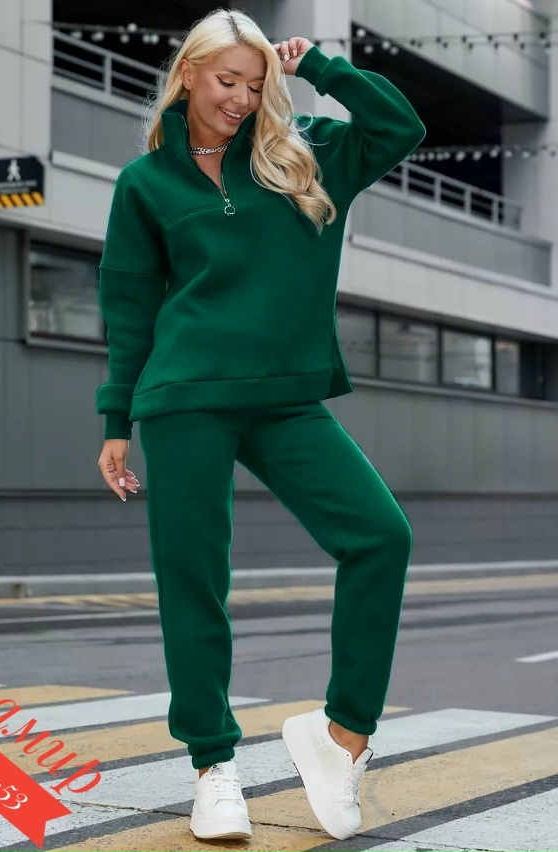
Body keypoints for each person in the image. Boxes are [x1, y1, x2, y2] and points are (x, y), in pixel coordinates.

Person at [95, 7, 426, 843]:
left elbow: (401, 125)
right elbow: (130, 306)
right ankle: (213, 768)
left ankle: (343, 736)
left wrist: (322, 67)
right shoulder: (145, 183)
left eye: (254, 82)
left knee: (380, 536)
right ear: (189, 75)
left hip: (285, 397)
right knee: (195, 583)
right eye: (226, 80)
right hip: (183, 400)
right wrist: (115, 420)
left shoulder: (306, 153)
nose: (240, 98)